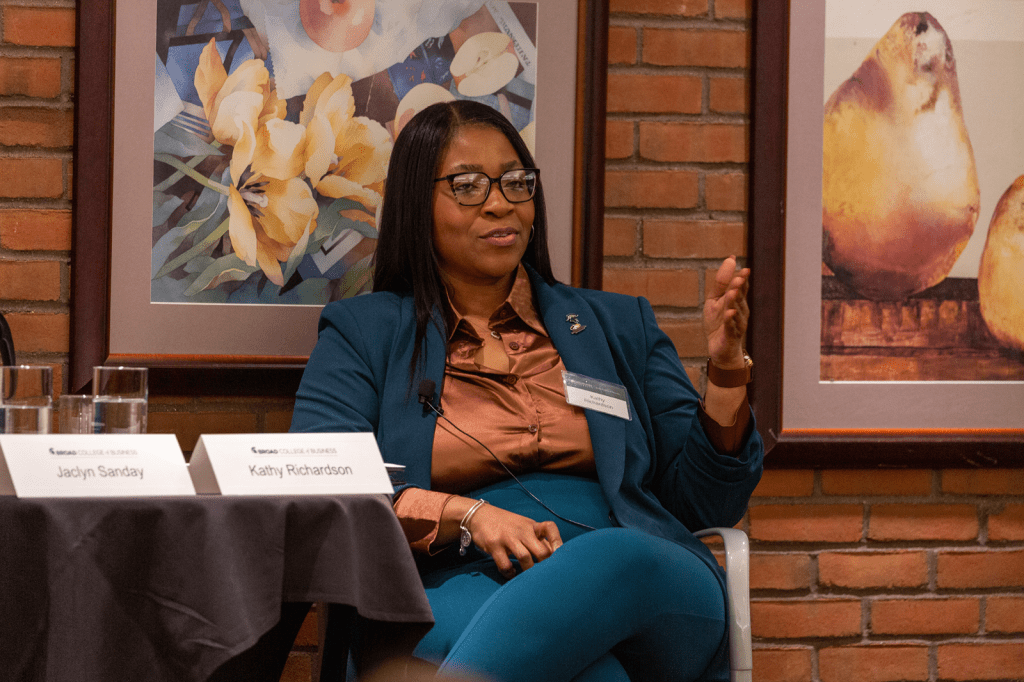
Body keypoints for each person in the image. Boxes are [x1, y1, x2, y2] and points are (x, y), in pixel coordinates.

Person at [291, 100, 764, 682]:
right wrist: (469, 516)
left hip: (646, 584)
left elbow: (706, 503)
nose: (500, 202)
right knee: (596, 675)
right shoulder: (364, 334)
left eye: (517, 183)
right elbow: (323, 485)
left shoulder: (618, 325)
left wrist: (725, 372)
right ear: (419, 205)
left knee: (613, 557)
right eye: (468, 185)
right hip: (451, 578)